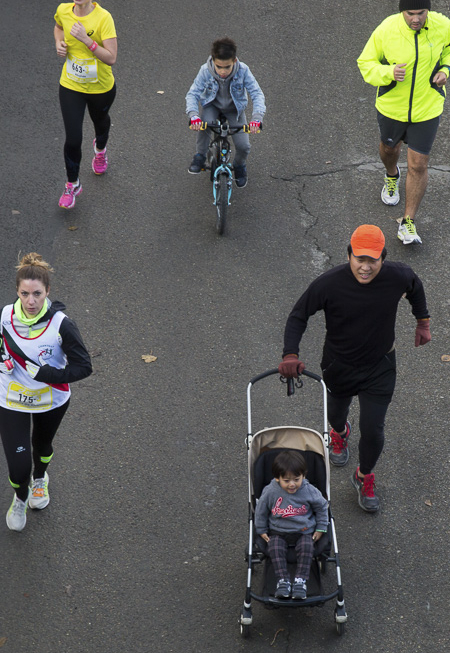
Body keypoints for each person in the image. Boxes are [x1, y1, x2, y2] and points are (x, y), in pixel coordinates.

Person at [279, 225, 430, 513]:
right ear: (349, 255)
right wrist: (290, 354)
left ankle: (364, 476)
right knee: (336, 414)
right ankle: (339, 432)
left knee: (373, 430)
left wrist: (423, 320)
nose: (365, 266)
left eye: (372, 260)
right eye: (359, 259)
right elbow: (298, 316)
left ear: (383, 258)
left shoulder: (397, 275)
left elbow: (415, 286)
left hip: (380, 366)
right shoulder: (329, 284)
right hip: (340, 365)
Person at [0, 253, 93, 531]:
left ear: (48, 292)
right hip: (11, 400)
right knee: (19, 465)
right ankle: (20, 497)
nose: (31, 301)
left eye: (37, 294)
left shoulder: (62, 325)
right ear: (17, 292)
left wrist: (49, 374)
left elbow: (83, 367)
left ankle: (41, 479)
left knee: (41, 447)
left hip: (51, 400)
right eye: (24, 294)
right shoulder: (3, 316)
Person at [357, 0, 450, 245]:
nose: (415, 18)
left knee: (419, 164)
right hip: (392, 108)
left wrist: (445, 69)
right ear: (402, 11)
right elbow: (365, 63)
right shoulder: (386, 30)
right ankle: (392, 175)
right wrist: (388, 73)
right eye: (410, 13)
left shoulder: (442, 25)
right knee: (390, 149)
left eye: (420, 13)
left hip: (428, 108)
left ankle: (408, 222)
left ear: (428, 11)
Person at [53, 0, 119, 209]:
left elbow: (111, 57)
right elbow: (58, 28)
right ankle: (72, 184)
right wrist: (59, 43)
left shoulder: (103, 18)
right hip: (71, 86)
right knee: (73, 138)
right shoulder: (63, 10)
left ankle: (100, 149)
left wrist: (86, 40)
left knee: (100, 122)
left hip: (100, 88)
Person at [184, 37, 266, 189]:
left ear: (234, 61)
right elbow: (192, 94)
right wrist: (193, 115)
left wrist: (256, 119)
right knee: (205, 124)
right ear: (213, 60)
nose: (222, 71)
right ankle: (200, 156)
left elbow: (257, 94)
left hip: (235, 109)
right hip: (212, 105)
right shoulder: (205, 70)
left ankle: (239, 166)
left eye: (227, 67)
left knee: (244, 146)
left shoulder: (243, 70)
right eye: (218, 67)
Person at [254, 451, 329, 600]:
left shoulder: (309, 490)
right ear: (277, 478)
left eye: (296, 479)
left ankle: (300, 581)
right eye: (286, 480)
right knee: (274, 548)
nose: (292, 484)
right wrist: (261, 529)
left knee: (308, 548)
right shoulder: (270, 491)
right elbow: (261, 510)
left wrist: (321, 527)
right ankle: (283, 580)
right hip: (278, 531)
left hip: (304, 531)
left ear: (304, 476)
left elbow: (322, 507)